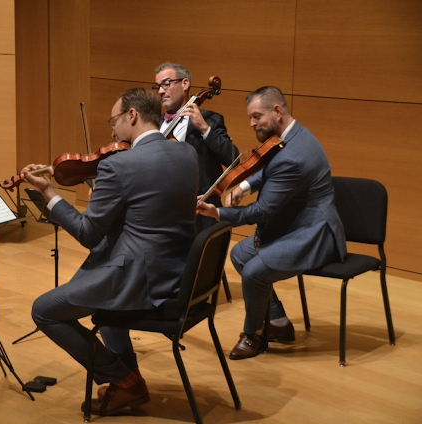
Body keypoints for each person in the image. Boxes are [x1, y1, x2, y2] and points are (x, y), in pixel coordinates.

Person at [23, 88, 198, 415]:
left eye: (114, 120)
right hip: (179, 274)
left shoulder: (119, 166)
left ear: (132, 115)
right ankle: (123, 386)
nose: (112, 130)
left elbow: (89, 234)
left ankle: (124, 379)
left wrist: (48, 192)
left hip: (139, 280)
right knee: (104, 312)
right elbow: (150, 207)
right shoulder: (186, 154)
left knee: (44, 310)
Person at [197, 86, 346, 359]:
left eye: (257, 117)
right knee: (240, 254)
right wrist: (244, 185)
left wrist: (218, 214)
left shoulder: (293, 154)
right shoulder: (290, 136)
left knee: (253, 270)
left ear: (277, 111)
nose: (252, 124)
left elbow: (263, 211)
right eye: (250, 118)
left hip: (315, 233)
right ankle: (278, 322)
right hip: (296, 224)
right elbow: (267, 167)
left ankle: (252, 334)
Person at [154, 62, 239, 230]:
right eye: (158, 86)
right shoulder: (153, 122)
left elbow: (233, 158)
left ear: (185, 84)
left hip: (200, 212)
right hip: (161, 210)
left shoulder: (211, 120)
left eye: (166, 84)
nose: (160, 91)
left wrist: (204, 128)